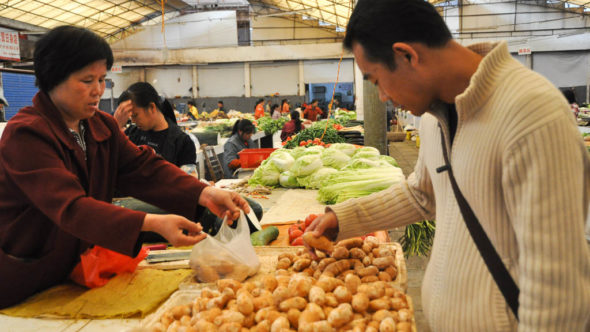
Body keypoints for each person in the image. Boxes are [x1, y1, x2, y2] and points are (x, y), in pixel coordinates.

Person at [305, 0, 590, 331]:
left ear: (406, 55)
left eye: (375, 80)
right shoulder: (434, 114)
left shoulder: (531, 115)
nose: (381, 96)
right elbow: (423, 194)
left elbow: (558, 286)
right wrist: (344, 218)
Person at [0, 26, 250, 309]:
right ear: (53, 79)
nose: (97, 90)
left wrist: (203, 194)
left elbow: (145, 169)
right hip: (24, 277)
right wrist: (151, 223)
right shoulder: (27, 134)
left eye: (102, 79)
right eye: (86, 80)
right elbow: (70, 207)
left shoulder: (100, 126)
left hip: (73, 270)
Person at [114, 82, 197, 168]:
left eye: (135, 115)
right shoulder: (132, 135)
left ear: (151, 107)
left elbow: (188, 180)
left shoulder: (182, 142)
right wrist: (115, 128)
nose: (133, 121)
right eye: (130, 117)